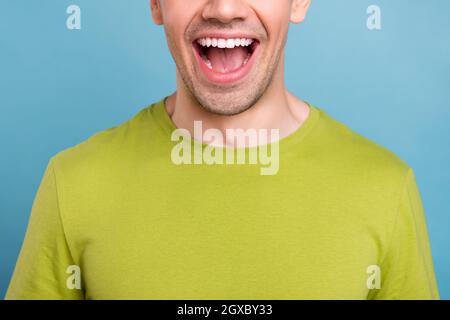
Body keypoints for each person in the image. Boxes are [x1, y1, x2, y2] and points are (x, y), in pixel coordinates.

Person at [6, 0, 439, 299]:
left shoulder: (386, 188)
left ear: (300, 1)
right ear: (156, 3)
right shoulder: (73, 182)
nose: (224, 9)